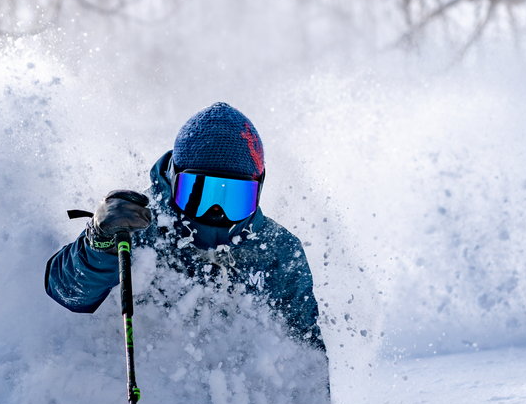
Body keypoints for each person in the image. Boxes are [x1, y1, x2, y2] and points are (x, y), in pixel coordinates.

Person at [44, 102, 325, 352]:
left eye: (235, 198)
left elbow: (305, 355)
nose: (216, 212)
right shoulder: (136, 224)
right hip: (142, 389)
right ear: (173, 178)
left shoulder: (277, 251)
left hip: (237, 403)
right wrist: (100, 241)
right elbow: (69, 292)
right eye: (199, 193)